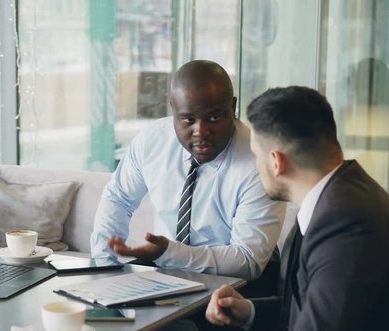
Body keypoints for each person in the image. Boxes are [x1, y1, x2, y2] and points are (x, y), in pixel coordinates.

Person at [172, 86, 389, 331]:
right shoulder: (341, 192)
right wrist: (250, 311)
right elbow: (322, 309)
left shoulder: (346, 223)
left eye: (256, 156)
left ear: (276, 162)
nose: (256, 166)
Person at [90, 60, 285, 281]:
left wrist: (170, 253)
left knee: (170, 316)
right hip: (166, 265)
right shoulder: (153, 140)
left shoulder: (258, 163)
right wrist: (105, 268)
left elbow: (247, 261)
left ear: (232, 107)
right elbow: (118, 198)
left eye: (213, 118)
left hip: (236, 279)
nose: (201, 132)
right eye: (188, 120)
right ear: (173, 109)